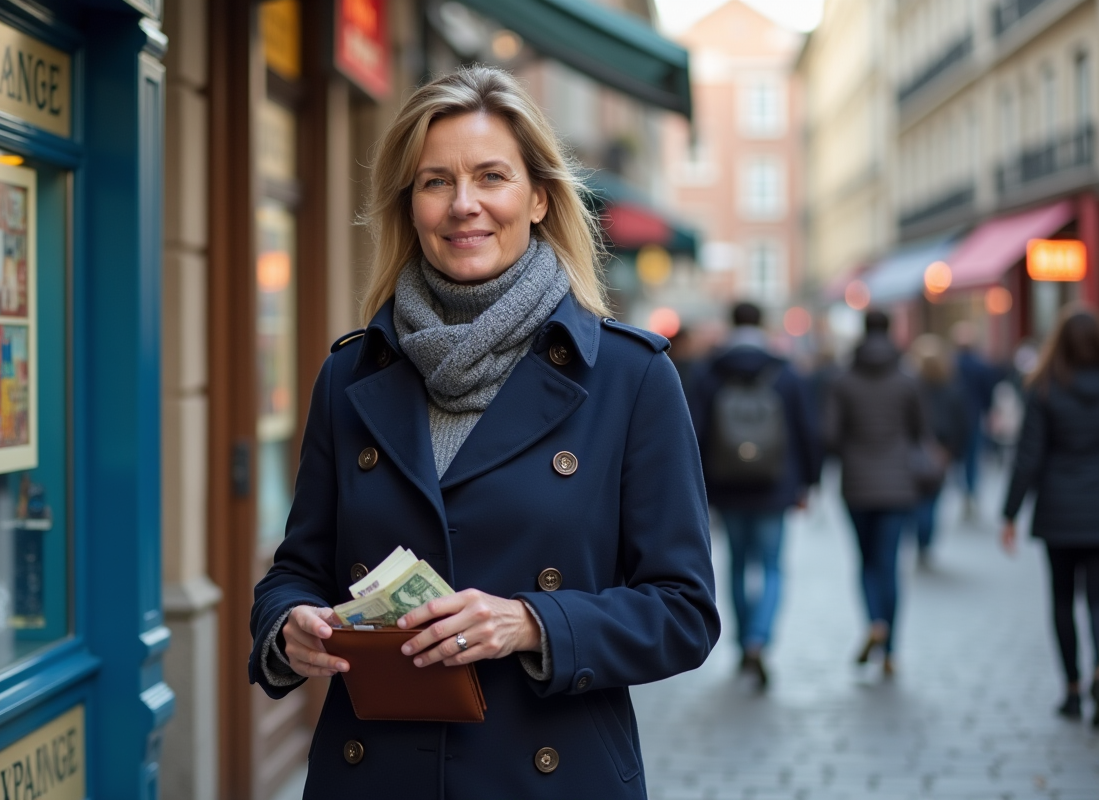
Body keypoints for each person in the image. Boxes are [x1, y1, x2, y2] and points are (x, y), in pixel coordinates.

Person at [247, 66, 720, 798]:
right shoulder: (351, 376)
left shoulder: (630, 378)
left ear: (537, 197)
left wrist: (533, 621)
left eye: (490, 176)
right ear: (409, 206)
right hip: (375, 774)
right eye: (435, 182)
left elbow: (684, 611)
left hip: (547, 775)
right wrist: (289, 626)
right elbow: (297, 570)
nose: (463, 205)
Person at [689, 301, 820, 689]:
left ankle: (742, 641)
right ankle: (760, 639)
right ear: (762, 324)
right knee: (774, 566)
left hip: (727, 485)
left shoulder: (710, 372)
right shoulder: (785, 371)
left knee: (737, 565)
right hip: (776, 484)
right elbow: (806, 430)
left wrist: (699, 488)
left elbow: (693, 434)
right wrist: (809, 482)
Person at [1001, 307, 1099, 726]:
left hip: (1059, 510)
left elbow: (1028, 458)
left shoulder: (1044, 389)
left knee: (1062, 601)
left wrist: (1009, 514)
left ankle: (1073, 690)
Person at [825, 310, 928, 675]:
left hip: (857, 484)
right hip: (898, 483)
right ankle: (891, 649)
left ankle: (874, 623)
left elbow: (831, 436)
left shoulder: (844, 380)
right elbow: (919, 431)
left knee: (866, 563)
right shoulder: (906, 379)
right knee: (890, 563)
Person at [908, 334, 969, 566]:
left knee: (917, 500)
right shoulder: (953, 388)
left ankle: (920, 539)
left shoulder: (912, 386)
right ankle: (925, 541)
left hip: (919, 450)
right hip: (941, 451)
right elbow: (962, 424)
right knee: (932, 501)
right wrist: (953, 452)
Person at [951, 321, 1003, 519]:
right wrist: (989, 412)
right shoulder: (981, 365)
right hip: (973, 417)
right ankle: (970, 492)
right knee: (972, 458)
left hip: (955, 420)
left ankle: (965, 491)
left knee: (959, 458)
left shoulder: (950, 364)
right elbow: (988, 394)